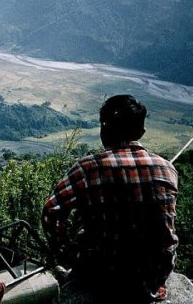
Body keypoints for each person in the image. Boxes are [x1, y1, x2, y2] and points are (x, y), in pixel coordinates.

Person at [42, 94, 178, 303]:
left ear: (103, 130)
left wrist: (68, 252)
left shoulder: (88, 168)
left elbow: (51, 210)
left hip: (102, 278)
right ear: (141, 132)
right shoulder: (167, 168)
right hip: (152, 278)